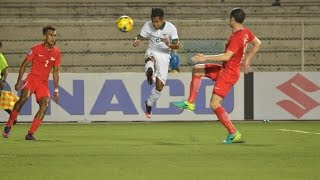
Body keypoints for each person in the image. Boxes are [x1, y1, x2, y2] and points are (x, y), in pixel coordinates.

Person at [173, 8, 261, 144]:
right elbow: (257, 43)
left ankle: (233, 133)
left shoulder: (237, 37)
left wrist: (205, 58)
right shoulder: (246, 33)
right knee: (197, 70)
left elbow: (226, 56)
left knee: (214, 104)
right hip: (226, 69)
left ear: (232, 19)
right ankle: (190, 103)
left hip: (229, 74)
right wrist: (248, 60)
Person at [2, 25, 61, 140]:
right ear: (45, 36)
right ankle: (9, 123)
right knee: (23, 98)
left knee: (44, 105)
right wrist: (19, 81)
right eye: (50, 35)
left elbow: (56, 72)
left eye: (54, 35)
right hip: (32, 79)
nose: (53, 38)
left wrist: (56, 90)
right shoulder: (35, 49)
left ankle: (30, 134)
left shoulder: (57, 52)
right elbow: (24, 64)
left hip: (43, 83)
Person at [133, 8, 180, 118]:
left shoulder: (171, 28)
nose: (154, 24)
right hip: (152, 51)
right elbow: (139, 36)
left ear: (162, 20)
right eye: (153, 21)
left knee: (159, 86)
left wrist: (168, 44)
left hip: (164, 54)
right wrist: (136, 41)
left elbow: (177, 45)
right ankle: (150, 72)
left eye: (157, 21)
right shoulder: (147, 25)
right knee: (150, 59)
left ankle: (149, 103)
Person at [0, 41, 19, 124]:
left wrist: (4, 80)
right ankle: (12, 115)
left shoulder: (0, 57)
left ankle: (12, 115)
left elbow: (5, 70)